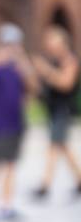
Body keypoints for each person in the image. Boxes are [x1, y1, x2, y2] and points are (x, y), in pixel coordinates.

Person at [0, 23, 38, 220]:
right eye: (8, 44)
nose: (11, 47)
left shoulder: (21, 65)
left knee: (11, 163)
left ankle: (6, 205)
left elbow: (33, 88)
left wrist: (24, 65)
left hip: (16, 120)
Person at [31, 25, 81, 198]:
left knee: (55, 146)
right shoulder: (54, 60)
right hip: (53, 109)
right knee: (62, 146)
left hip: (63, 110)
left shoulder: (70, 61)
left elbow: (66, 83)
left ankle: (45, 185)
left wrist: (46, 71)